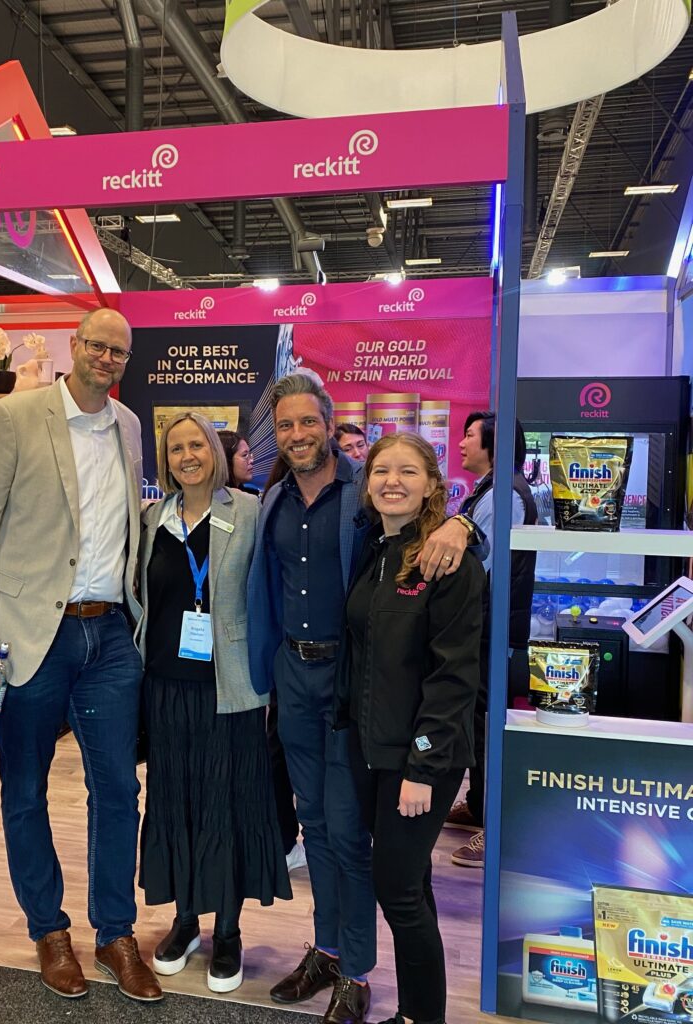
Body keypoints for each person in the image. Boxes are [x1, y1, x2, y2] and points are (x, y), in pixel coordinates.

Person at [246, 373, 484, 1024]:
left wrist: (465, 525)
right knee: (316, 827)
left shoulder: (365, 490)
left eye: (309, 421)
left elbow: (433, 530)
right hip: (293, 681)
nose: (298, 434)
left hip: (354, 686)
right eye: (286, 424)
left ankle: (356, 970)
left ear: (330, 424)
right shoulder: (272, 499)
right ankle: (326, 949)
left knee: (350, 834)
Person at [0, 307, 162, 1004]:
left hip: (110, 636)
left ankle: (115, 934)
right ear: (73, 347)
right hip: (30, 634)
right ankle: (48, 930)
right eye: (96, 345)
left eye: (119, 351)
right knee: (24, 787)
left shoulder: (129, 425)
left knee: (118, 789)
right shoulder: (13, 417)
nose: (106, 358)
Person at [137, 412, 291, 993]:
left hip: (231, 689)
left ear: (215, 451)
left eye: (196, 444)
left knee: (228, 806)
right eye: (176, 448)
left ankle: (227, 929)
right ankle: (184, 920)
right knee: (175, 801)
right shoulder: (152, 519)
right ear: (166, 460)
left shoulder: (250, 511)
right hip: (166, 686)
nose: (187, 456)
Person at [335, 432, 485, 1024]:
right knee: (411, 886)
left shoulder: (448, 561)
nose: (392, 481)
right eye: (381, 471)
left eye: (407, 471)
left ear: (431, 486)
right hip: (372, 748)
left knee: (397, 890)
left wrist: (422, 768)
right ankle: (418, 1013)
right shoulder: (375, 549)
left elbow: (453, 678)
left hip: (422, 759)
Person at [445, 411, 537, 868]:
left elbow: (483, 567)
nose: (461, 443)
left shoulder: (505, 495)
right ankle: (480, 804)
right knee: (478, 720)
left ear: (494, 445)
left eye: (469, 435)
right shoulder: (492, 489)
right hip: (485, 625)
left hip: (491, 628)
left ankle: (495, 827)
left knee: (487, 726)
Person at [218, 429, 259, 494]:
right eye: (245, 455)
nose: (251, 460)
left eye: (249, 454)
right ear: (225, 460)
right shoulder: (210, 498)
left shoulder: (251, 495)